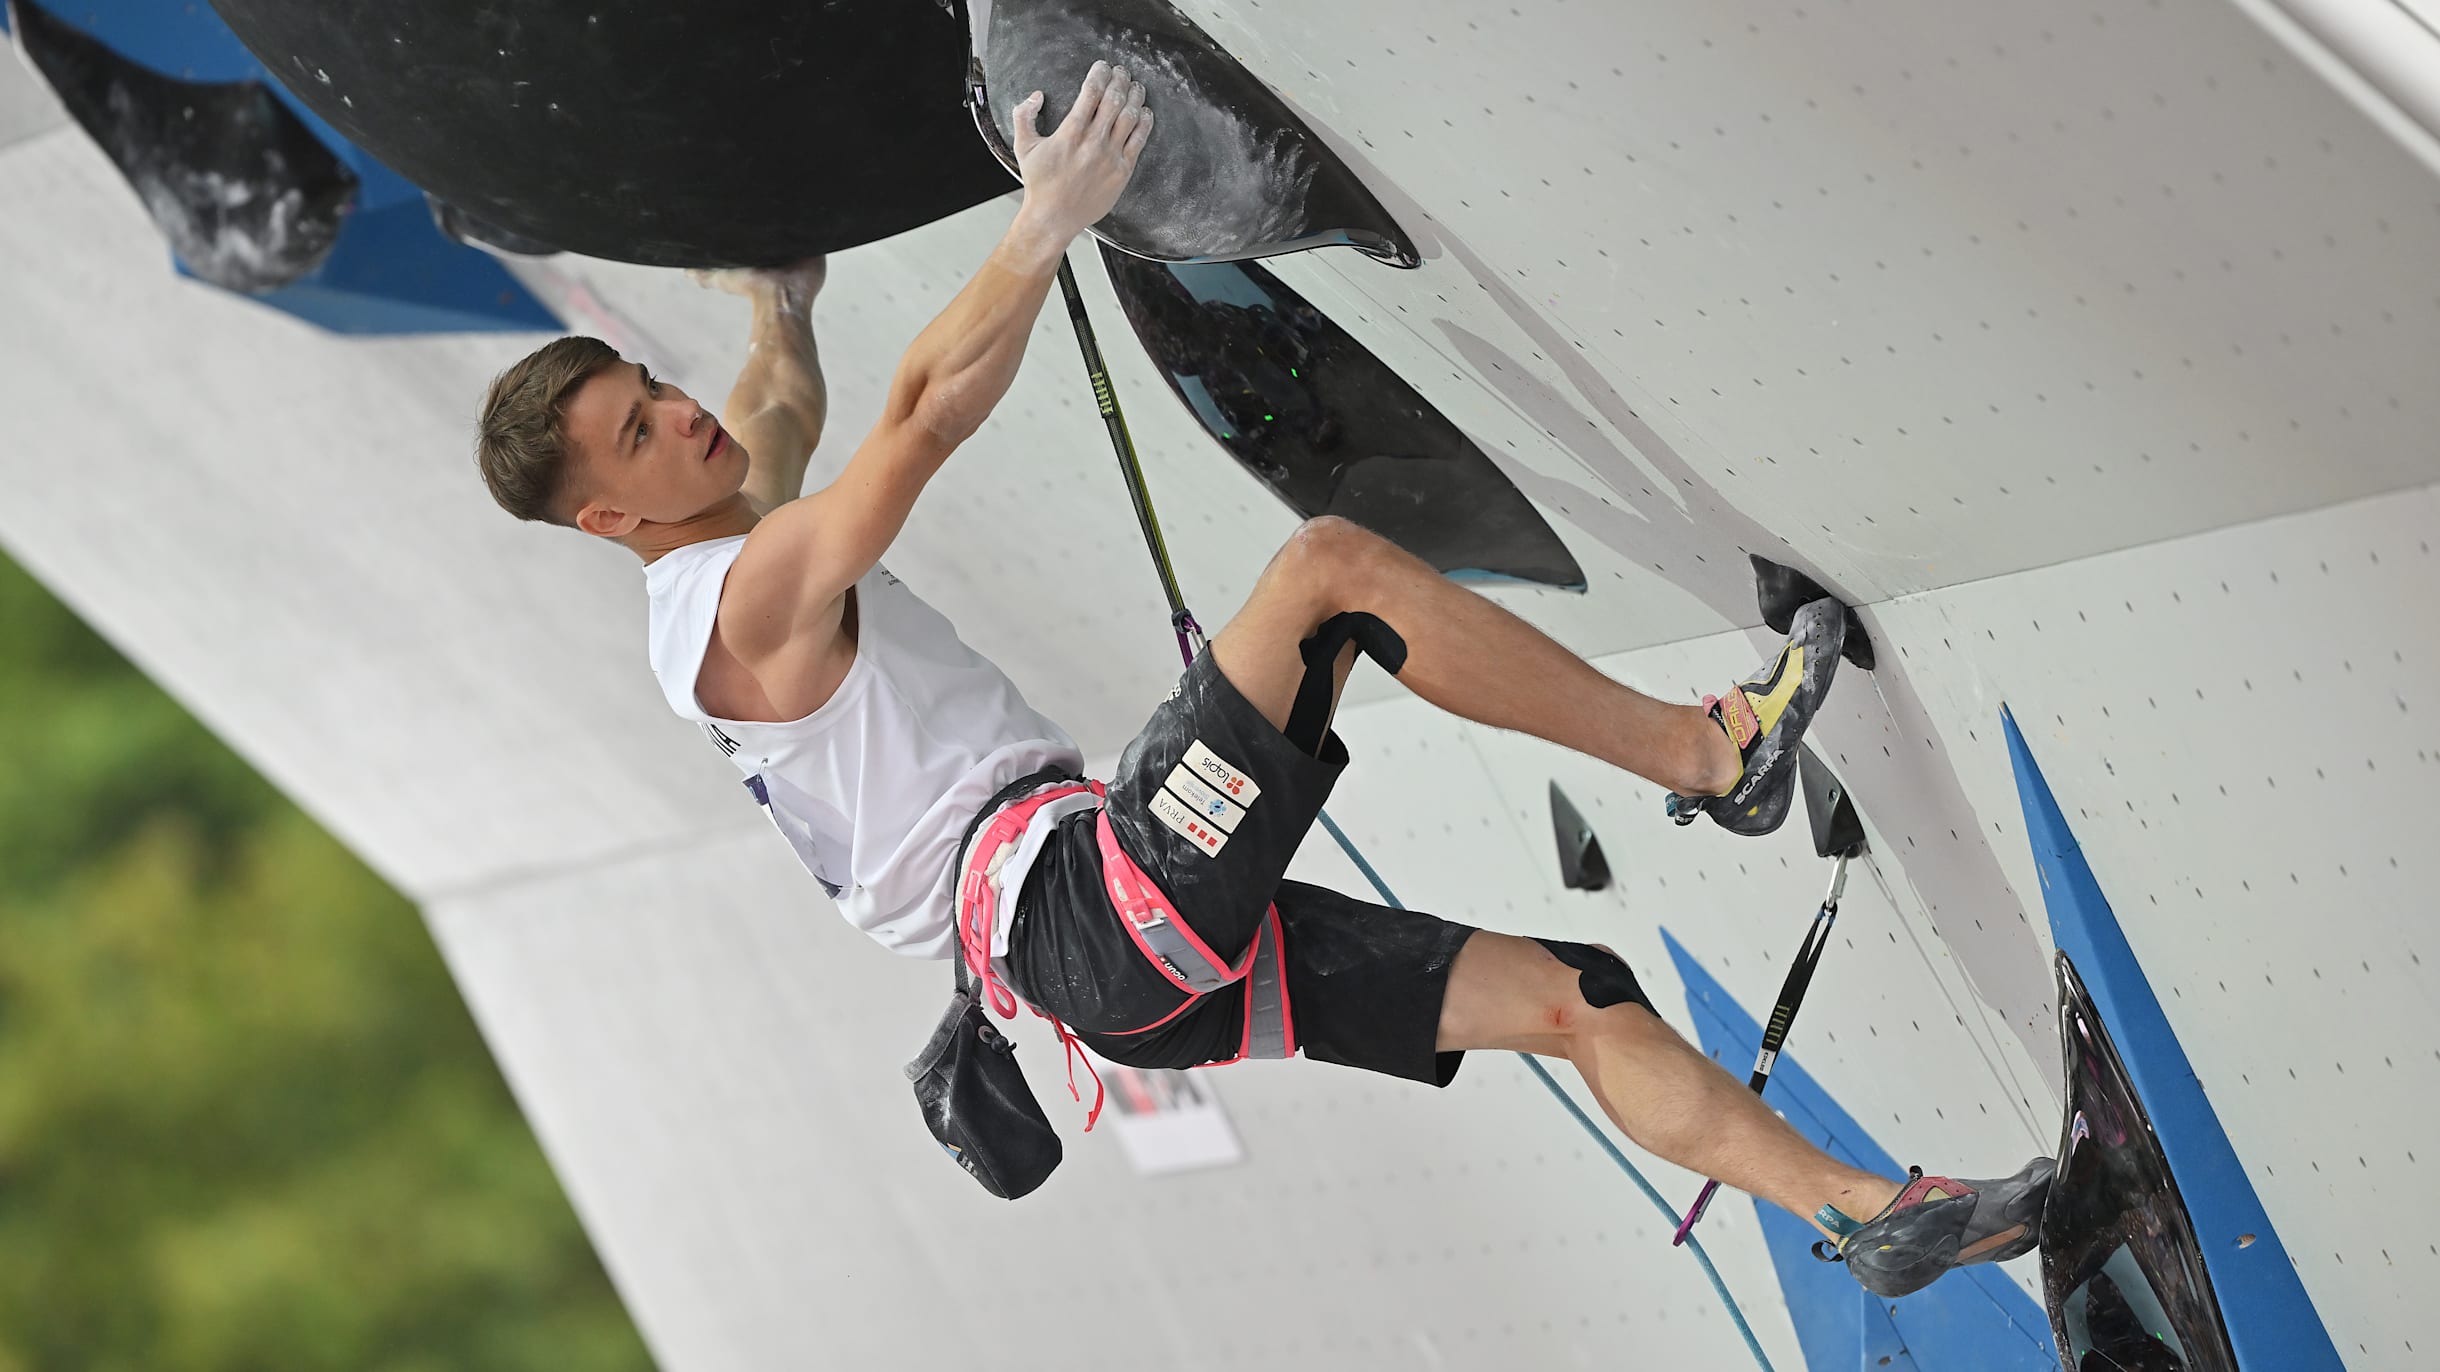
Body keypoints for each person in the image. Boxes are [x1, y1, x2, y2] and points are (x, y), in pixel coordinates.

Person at [471, 60, 2047, 1299]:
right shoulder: (746, 607)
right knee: (1328, 575)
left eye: (654, 388)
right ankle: (1716, 759)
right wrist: (1046, 220)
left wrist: (773, 301)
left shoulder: (717, 541)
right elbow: (918, 420)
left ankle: (1869, 1219)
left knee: (1577, 1002)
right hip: (1087, 907)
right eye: (638, 432)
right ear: (608, 519)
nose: (681, 417)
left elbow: (780, 411)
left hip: (1116, 971)